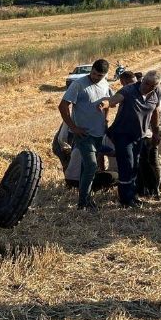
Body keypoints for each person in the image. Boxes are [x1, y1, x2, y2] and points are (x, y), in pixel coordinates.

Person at [102, 70, 161, 207]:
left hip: (139, 135)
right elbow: (115, 99)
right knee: (127, 165)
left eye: (152, 85)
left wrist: (156, 132)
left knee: (135, 166)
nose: (147, 87)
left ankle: (132, 195)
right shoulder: (129, 90)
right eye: (146, 83)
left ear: (156, 86)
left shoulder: (156, 93)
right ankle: (125, 199)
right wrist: (106, 103)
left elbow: (155, 112)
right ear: (142, 80)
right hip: (122, 134)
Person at [59, 59, 113, 209]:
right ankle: (84, 202)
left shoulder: (105, 84)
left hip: (98, 133)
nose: (95, 77)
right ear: (92, 70)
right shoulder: (78, 85)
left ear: (105, 75)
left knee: (86, 166)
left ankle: (84, 196)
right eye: (94, 73)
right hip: (83, 134)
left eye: (99, 75)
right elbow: (63, 106)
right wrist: (73, 127)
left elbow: (109, 101)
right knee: (91, 166)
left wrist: (106, 118)